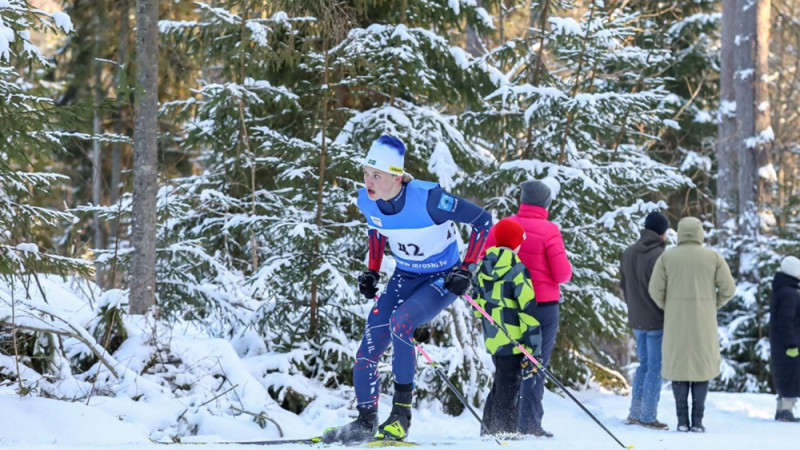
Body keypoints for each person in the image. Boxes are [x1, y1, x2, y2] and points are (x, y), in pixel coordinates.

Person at [322, 135, 492, 444]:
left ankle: (401, 415)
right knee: (370, 341)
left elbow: (483, 220)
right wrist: (372, 271)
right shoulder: (366, 200)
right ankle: (365, 420)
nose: (368, 181)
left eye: (377, 175)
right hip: (405, 276)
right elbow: (376, 228)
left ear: (397, 177)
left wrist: (466, 269)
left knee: (402, 322)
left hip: (442, 278)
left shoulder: (429, 199)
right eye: (365, 173)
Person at [483, 178, 572, 438]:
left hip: (503, 308)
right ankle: (529, 424)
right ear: (546, 203)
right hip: (542, 307)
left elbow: (485, 260)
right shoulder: (549, 230)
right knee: (534, 363)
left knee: (506, 367)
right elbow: (563, 274)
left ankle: (498, 423)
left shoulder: (503, 225)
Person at [648, 217, 736, 433]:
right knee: (701, 368)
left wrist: (668, 305)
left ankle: (681, 421)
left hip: (676, 320)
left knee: (679, 367)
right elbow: (729, 288)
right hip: (703, 321)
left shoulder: (668, 258)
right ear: (699, 233)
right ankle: (697, 421)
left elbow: (654, 289)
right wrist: (713, 303)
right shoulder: (713, 257)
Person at [473, 218, 542, 437]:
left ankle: (488, 430)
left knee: (501, 383)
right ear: (516, 243)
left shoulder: (483, 267)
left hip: (494, 338)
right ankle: (503, 433)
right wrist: (534, 349)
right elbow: (527, 310)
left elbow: (477, 305)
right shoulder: (517, 269)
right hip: (514, 339)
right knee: (508, 387)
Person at [619, 211, 669, 430]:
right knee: (654, 368)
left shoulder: (628, 252)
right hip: (656, 319)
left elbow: (623, 285)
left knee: (644, 365)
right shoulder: (659, 255)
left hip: (637, 318)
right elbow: (663, 288)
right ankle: (648, 416)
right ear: (661, 232)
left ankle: (635, 412)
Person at [770, 256, 800, 422]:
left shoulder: (780, 290)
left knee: (784, 374)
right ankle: (787, 411)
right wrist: (792, 343)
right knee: (792, 374)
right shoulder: (790, 294)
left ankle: (781, 409)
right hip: (788, 343)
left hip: (779, 342)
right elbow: (785, 320)